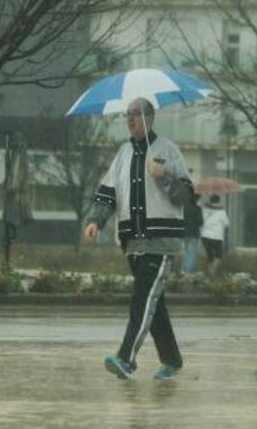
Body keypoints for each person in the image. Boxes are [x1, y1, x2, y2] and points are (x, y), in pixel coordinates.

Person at [83, 97, 194, 381]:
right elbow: (107, 193)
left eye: (135, 114)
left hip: (161, 242)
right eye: (127, 115)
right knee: (152, 304)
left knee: (142, 299)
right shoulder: (123, 153)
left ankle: (126, 359)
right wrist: (95, 220)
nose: (129, 120)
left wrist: (164, 176)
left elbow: (187, 195)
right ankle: (171, 359)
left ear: (150, 117)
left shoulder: (168, 150)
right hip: (132, 242)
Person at [200, 194, 229, 275]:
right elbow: (226, 224)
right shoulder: (221, 211)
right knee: (218, 256)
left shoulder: (204, 209)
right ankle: (212, 271)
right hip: (217, 236)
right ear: (218, 201)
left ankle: (209, 272)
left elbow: (201, 221)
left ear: (210, 200)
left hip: (205, 235)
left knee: (210, 255)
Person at [181, 193, 203, 274]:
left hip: (185, 233)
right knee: (192, 252)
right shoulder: (198, 209)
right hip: (194, 233)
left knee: (186, 251)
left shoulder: (184, 208)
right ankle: (188, 270)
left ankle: (183, 269)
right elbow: (200, 222)